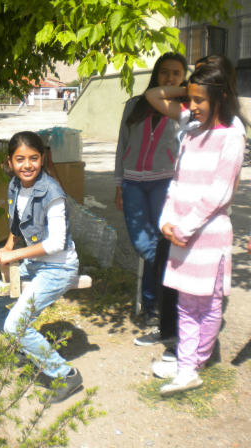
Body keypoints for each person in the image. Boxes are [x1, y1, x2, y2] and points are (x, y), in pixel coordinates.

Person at [144, 61, 246, 395]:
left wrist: (184, 228)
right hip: (180, 235)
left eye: (200, 100)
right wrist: (165, 222)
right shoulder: (190, 134)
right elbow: (176, 184)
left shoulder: (232, 136)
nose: (193, 106)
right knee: (186, 305)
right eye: (191, 99)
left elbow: (219, 193)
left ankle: (196, 361)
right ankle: (187, 369)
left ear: (221, 97)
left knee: (209, 303)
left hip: (208, 236)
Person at [0, 131, 83, 404]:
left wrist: (18, 254)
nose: (27, 165)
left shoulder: (52, 192)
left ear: (43, 159)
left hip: (58, 268)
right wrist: (8, 247)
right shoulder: (15, 185)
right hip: (34, 263)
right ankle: (26, 348)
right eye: (20, 159)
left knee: (15, 324)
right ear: (10, 162)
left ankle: (66, 374)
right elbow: (16, 224)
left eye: (34, 158)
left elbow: (57, 243)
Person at [115, 52, 188, 327]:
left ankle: (151, 305)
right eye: (165, 72)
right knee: (144, 244)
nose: (170, 77)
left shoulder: (186, 110)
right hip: (133, 182)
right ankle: (169, 286)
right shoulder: (136, 104)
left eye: (177, 74)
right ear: (156, 74)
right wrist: (118, 183)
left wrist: (184, 92)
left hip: (165, 182)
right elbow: (122, 143)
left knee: (160, 241)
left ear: (184, 78)